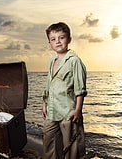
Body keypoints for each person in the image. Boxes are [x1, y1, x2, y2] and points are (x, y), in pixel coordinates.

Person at [42, 22, 87, 159]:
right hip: (52, 110)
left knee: (72, 146)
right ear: (49, 42)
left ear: (69, 39)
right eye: (53, 39)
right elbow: (48, 84)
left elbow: (80, 88)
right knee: (49, 142)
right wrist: (44, 104)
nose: (58, 42)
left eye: (61, 37)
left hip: (69, 111)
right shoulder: (52, 61)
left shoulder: (74, 61)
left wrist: (78, 109)